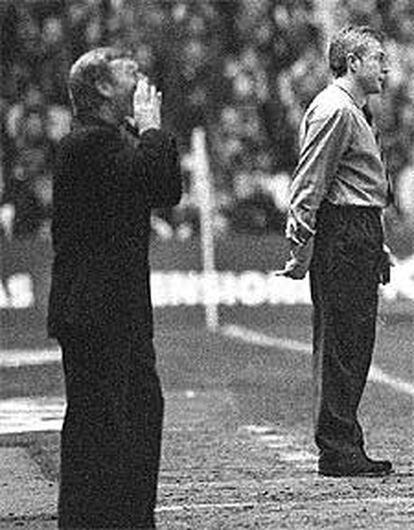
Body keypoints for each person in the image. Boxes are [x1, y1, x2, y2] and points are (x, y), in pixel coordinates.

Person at [47, 47, 182, 528]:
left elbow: (164, 192)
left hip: (114, 309)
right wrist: (151, 131)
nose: (141, 76)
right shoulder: (89, 144)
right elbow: (150, 180)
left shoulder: (109, 140)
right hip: (96, 310)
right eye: (129, 69)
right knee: (102, 425)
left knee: (136, 414)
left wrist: (149, 134)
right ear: (102, 87)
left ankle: (128, 520)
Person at [277, 26, 394, 477]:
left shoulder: (353, 111)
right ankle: (338, 446)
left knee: (354, 339)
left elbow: (353, 181)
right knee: (342, 340)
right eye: (377, 58)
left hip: (357, 229)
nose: (386, 66)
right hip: (344, 231)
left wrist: (376, 240)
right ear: (352, 62)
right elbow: (311, 182)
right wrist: (300, 242)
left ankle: (343, 441)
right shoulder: (337, 111)